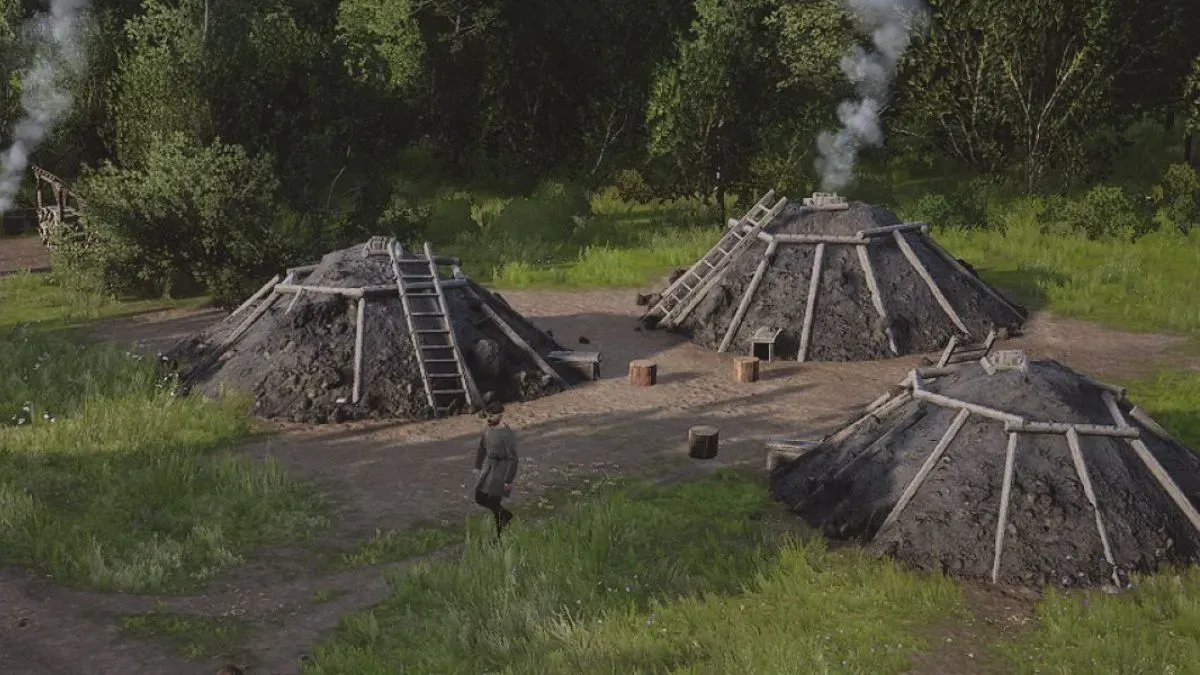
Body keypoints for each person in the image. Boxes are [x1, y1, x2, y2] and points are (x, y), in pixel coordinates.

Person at [474, 403, 518, 538]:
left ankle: (500, 534)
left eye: (492, 415)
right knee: (480, 497)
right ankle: (506, 516)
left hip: (501, 469)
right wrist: (477, 465)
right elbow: (482, 447)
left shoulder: (507, 434)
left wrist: (509, 479)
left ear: (500, 415)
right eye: (488, 415)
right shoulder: (488, 430)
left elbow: (513, 458)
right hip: (489, 467)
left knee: (494, 501)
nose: (489, 418)